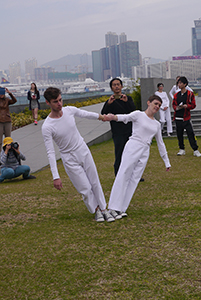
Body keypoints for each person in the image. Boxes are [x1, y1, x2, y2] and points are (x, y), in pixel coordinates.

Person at [42, 87, 115, 223]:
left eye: (60, 100)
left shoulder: (69, 110)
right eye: (55, 101)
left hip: (82, 150)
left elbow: (85, 113)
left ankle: (104, 209)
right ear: (48, 103)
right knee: (85, 188)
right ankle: (96, 210)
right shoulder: (47, 126)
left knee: (94, 181)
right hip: (68, 158)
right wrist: (55, 176)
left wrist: (102, 117)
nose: (59, 104)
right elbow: (50, 152)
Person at [103, 95, 171, 217]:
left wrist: (166, 161)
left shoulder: (157, 124)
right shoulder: (138, 114)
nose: (157, 107)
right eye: (155, 103)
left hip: (145, 150)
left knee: (134, 179)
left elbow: (161, 143)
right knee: (123, 175)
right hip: (133, 146)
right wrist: (113, 117)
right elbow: (125, 118)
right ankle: (112, 207)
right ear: (148, 102)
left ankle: (121, 209)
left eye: (159, 105)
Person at [101, 78, 138, 176]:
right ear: (111, 88)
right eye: (114, 85)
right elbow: (103, 114)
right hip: (118, 132)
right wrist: (109, 103)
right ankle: (118, 175)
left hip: (130, 131)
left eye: (118, 84)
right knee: (119, 154)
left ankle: (134, 174)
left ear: (121, 86)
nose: (116, 86)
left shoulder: (128, 99)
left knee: (132, 154)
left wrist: (126, 102)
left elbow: (134, 113)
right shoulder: (110, 101)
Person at [172, 76, 201, 157]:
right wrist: (176, 108)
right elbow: (173, 104)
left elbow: (193, 105)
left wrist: (187, 106)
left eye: (180, 83)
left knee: (190, 133)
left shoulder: (190, 94)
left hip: (186, 117)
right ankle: (181, 149)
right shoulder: (176, 95)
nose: (179, 84)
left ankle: (195, 150)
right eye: (178, 83)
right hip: (178, 117)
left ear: (185, 84)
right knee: (179, 134)